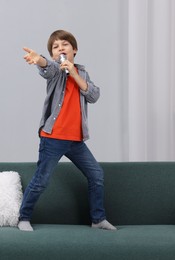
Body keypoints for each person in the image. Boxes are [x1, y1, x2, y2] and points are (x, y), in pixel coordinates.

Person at [18, 30, 116, 232]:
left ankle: (98, 219)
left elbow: (94, 95)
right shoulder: (55, 71)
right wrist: (40, 60)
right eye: (55, 46)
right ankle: (23, 217)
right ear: (53, 55)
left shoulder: (82, 73)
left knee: (96, 175)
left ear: (74, 49)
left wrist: (74, 73)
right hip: (53, 138)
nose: (60, 48)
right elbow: (48, 69)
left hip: (76, 140)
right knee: (41, 180)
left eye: (65, 44)